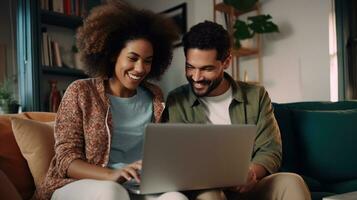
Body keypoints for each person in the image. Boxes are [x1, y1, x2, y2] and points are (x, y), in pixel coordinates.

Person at [36, 1, 188, 200]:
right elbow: (66, 160)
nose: (140, 68)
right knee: (112, 192)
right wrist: (112, 175)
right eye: (132, 58)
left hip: (137, 185)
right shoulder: (81, 91)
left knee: (177, 198)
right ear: (113, 55)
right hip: (81, 185)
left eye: (148, 61)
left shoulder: (155, 97)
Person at [163, 21, 312, 200]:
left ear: (226, 62)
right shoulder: (176, 100)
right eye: (190, 67)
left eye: (206, 69)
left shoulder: (256, 96)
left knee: (291, 182)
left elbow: (270, 149)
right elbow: (177, 158)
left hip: (249, 185)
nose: (196, 77)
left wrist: (251, 173)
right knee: (209, 194)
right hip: (204, 188)